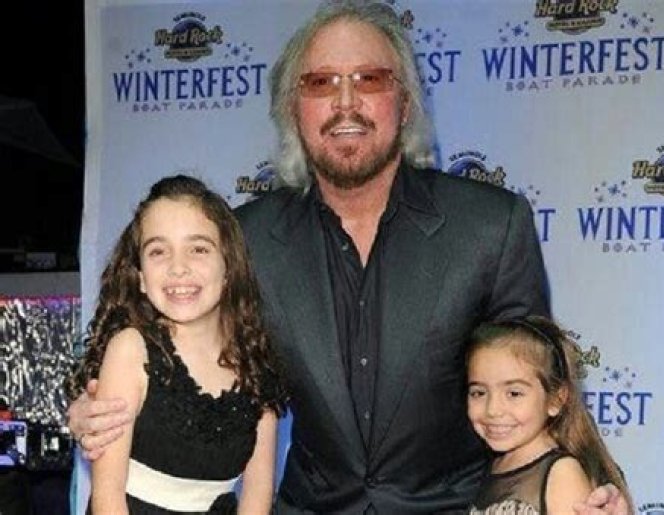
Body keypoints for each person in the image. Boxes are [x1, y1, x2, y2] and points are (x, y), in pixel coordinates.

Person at [68, 2, 629, 513]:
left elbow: (537, 387)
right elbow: (169, 347)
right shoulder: (245, 238)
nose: (344, 102)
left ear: (405, 103)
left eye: (369, 79)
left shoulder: (492, 226)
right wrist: (93, 408)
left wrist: (589, 490)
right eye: (321, 83)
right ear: (293, 110)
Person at [65, 175, 285, 513]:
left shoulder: (256, 362)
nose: (178, 268)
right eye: (158, 251)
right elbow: (107, 497)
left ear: (229, 267)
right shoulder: (130, 350)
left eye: (198, 249)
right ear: (140, 277)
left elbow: (258, 492)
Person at [465, 316, 634, 514]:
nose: (492, 410)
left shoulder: (562, 474)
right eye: (479, 393)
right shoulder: (496, 463)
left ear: (555, 400)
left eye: (514, 393)